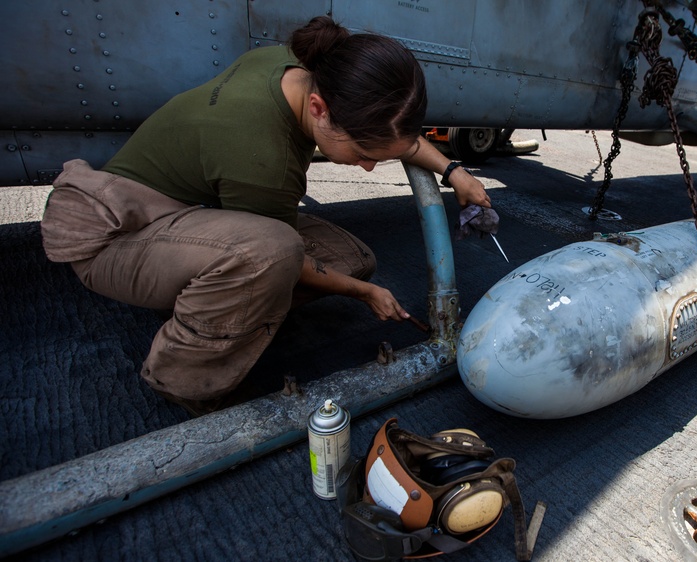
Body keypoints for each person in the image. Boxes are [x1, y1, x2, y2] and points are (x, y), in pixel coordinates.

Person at [40, 16, 491, 415]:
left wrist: (454, 171)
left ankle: (215, 307)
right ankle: (184, 377)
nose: (369, 167)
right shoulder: (263, 159)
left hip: (181, 213)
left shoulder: (303, 68)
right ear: (320, 111)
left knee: (350, 257)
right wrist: (366, 293)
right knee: (273, 253)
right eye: (362, 154)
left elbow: (394, 135)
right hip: (114, 234)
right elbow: (286, 259)